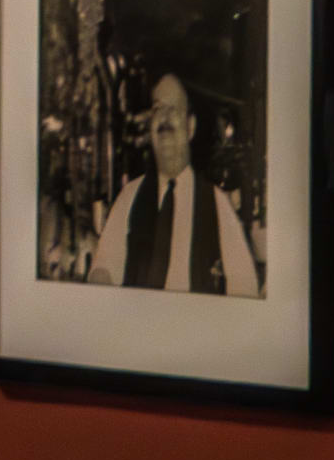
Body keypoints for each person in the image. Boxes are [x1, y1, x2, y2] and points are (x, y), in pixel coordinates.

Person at [91, 73, 261, 294]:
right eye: (158, 109)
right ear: (150, 127)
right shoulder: (129, 197)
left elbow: (245, 286)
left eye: (174, 109)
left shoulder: (217, 204)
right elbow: (103, 267)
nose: (165, 118)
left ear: (190, 127)